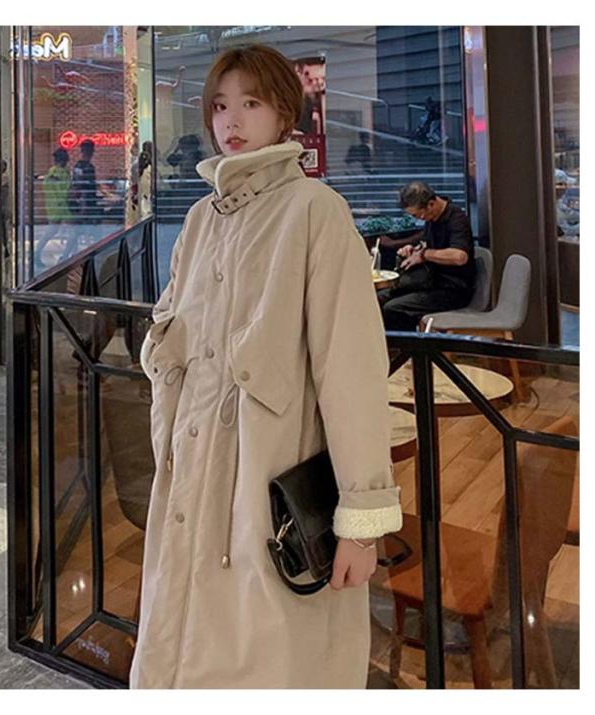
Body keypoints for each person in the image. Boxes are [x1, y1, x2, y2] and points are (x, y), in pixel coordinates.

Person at [129, 44, 402, 689]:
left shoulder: (314, 211)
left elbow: (352, 372)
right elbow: (174, 345)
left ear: (284, 114)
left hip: (267, 487)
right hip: (193, 484)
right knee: (180, 645)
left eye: (250, 103)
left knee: (271, 658)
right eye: (220, 105)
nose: (231, 120)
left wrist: (361, 521)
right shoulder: (202, 218)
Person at [377, 181, 475, 331]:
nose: (419, 218)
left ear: (431, 204)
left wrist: (423, 255)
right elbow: (428, 245)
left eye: (418, 215)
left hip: (452, 289)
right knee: (378, 298)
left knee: (394, 308)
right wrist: (414, 250)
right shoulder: (432, 218)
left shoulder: (457, 219)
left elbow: (459, 256)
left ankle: (409, 344)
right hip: (430, 283)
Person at [35, 148, 73, 268]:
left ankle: (37, 254)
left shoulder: (57, 172)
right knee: (72, 232)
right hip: (61, 206)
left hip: (57, 206)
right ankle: (65, 257)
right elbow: (63, 190)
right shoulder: (58, 173)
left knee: (55, 231)